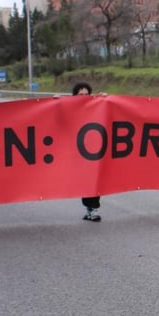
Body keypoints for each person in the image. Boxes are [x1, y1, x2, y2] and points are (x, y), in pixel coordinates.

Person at [72, 82, 106, 221]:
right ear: (74, 96)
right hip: (77, 152)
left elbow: (106, 107)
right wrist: (57, 101)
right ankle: (89, 209)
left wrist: (104, 99)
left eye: (87, 94)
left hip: (94, 151)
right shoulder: (70, 108)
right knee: (84, 182)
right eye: (81, 95)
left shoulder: (96, 105)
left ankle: (94, 210)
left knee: (94, 180)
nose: (84, 97)